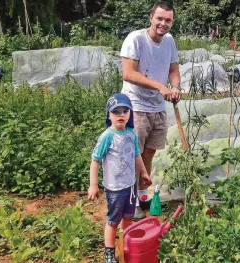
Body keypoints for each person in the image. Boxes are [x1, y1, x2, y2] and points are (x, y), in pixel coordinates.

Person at [120, 1, 181, 218]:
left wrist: (174, 86)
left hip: (157, 106)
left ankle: (142, 196)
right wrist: (159, 86)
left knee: (149, 153)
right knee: (133, 154)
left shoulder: (169, 41)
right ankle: (130, 201)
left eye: (168, 20)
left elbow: (173, 68)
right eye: (160, 19)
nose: (163, 24)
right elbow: (128, 74)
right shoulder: (135, 39)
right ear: (151, 18)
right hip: (135, 105)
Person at [88, 93, 152, 263]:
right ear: (109, 115)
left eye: (125, 111)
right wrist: (93, 185)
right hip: (115, 189)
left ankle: (125, 245)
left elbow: (137, 155)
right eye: (116, 112)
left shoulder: (131, 134)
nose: (121, 115)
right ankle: (109, 253)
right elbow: (95, 161)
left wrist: (144, 173)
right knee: (113, 221)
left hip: (130, 186)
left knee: (128, 218)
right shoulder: (107, 137)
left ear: (130, 114)